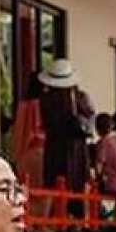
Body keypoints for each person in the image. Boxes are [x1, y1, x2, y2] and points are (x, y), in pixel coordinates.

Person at [38, 58, 95, 211]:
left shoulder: (46, 99)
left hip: (54, 144)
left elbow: (46, 123)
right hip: (76, 145)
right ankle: (78, 220)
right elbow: (90, 117)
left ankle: (46, 220)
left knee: (52, 181)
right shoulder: (80, 97)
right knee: (78, 182)